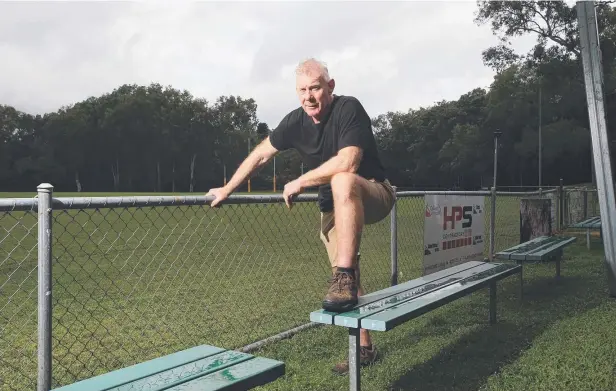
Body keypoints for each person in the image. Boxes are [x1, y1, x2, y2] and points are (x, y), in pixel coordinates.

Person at [206, 58, 395, 374]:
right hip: (333, 207)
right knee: (344, 278)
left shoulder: (348, 109)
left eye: (316, 88)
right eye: (302, 90)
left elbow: (349, 162)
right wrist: (227, 188)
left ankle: (345, 274)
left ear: (330, 87)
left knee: (343, 179)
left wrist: (301, 181)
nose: (309, 97)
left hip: (373, 191)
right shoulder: (295, 122)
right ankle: (365, 348)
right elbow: (261, 154)